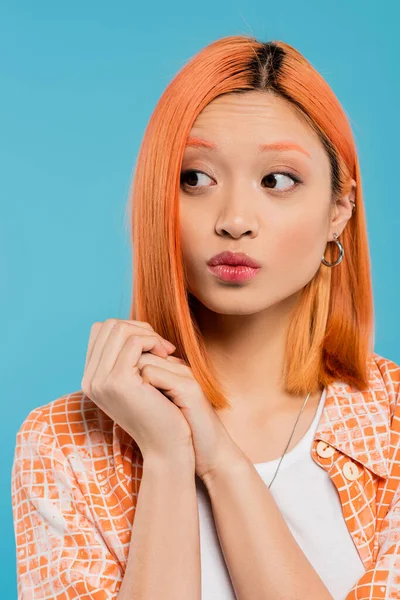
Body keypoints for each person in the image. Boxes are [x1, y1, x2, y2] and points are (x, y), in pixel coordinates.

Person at [11, 35, 400, 600]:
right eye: (194, 179)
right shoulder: (63, 445)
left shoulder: (392, 427)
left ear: (339, 212)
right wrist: (167, 459)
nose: (235, 220)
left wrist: (221, 464)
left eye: (277, 181)